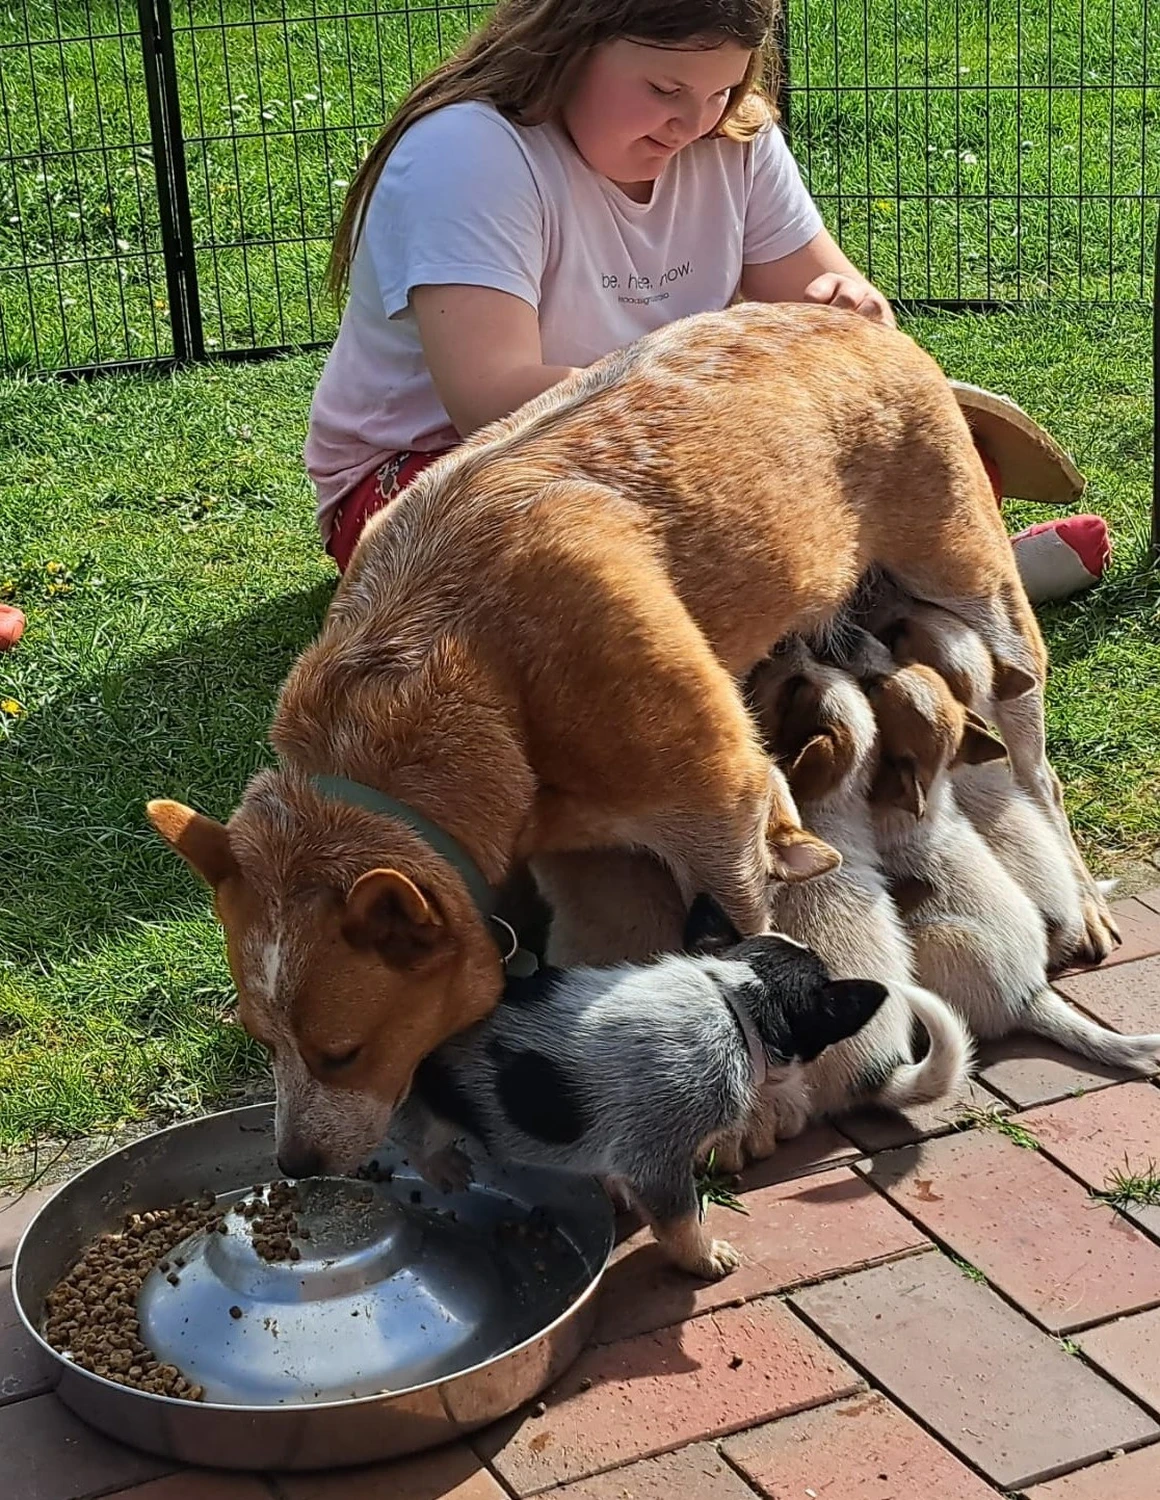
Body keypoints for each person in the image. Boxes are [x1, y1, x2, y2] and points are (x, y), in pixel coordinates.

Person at [304, 0, 1108, 600]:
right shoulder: (470, 151)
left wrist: (852, 312)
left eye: (724, 89)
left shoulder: (737, 136)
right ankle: (917, 592)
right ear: (572, 42)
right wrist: (730, 422)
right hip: (441, 480)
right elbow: (489, 400)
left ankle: (862, 601)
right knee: (573, 556)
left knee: (944, 451)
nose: (693, 121)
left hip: (672, 451)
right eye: (664, 87)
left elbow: (837, 309)